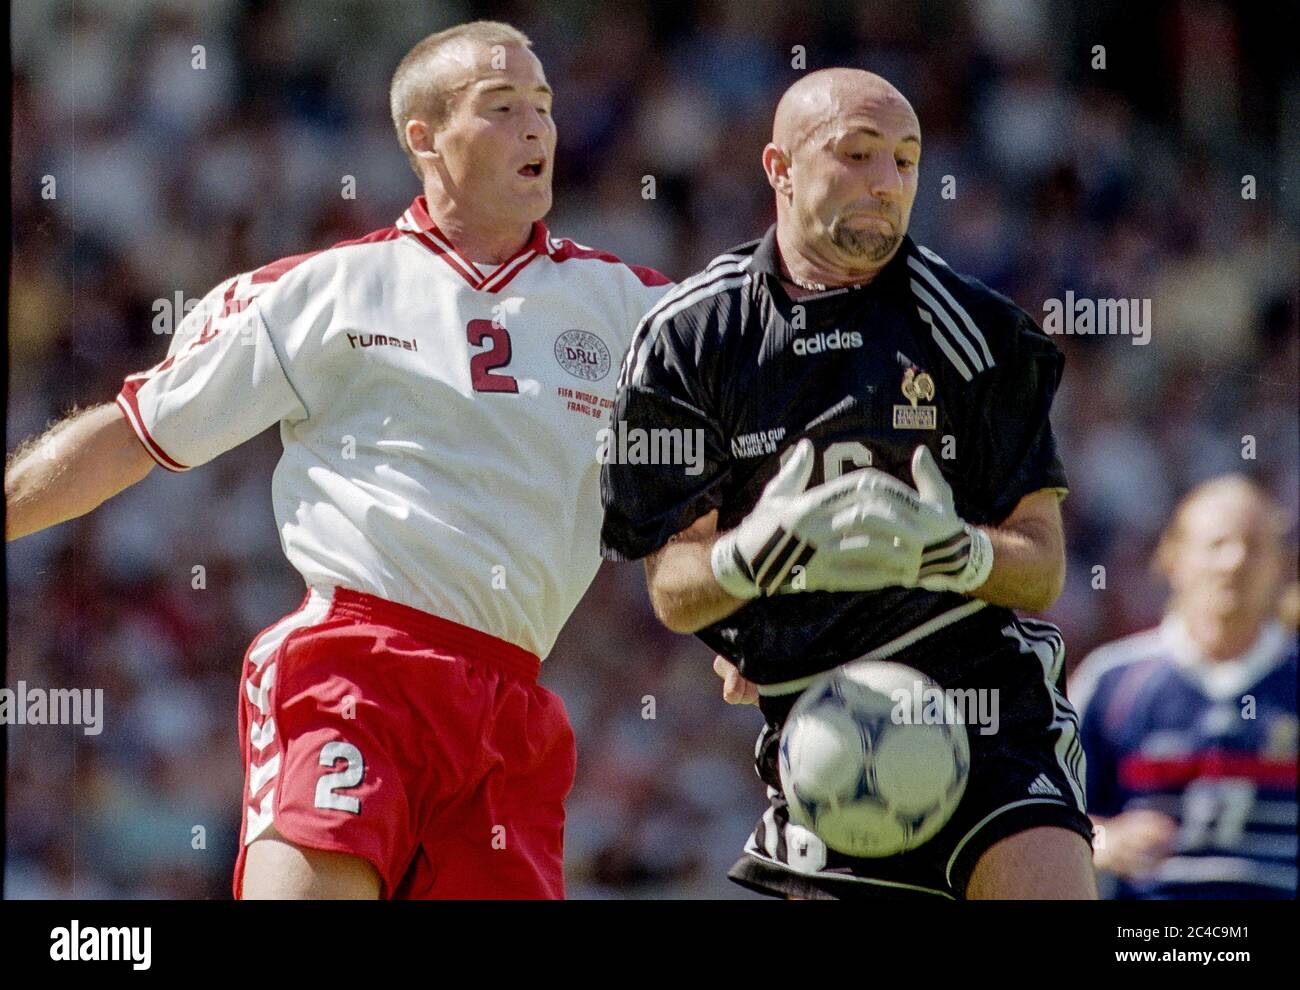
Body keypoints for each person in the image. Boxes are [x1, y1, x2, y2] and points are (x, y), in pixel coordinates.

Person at [5, 20, 670, 899]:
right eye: (503, 107)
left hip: (512, 712)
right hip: (358, 667)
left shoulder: (641, 310)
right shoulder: (324, 289)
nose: (538, 128)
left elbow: (723, 466)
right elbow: (134, 431)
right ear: (423, 139)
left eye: (544, 107)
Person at [600, 68, 1096, 899]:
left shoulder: (980, 330)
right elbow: (675, 592)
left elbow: (1040, 567)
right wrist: (749, 559)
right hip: (819, 726)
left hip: (985, 706)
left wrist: (960, 554)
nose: (887, 182)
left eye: (905, 161)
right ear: (779, 168)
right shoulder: (690, 338)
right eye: (857, 154)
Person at [1070, 475, 1298, 899]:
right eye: (1217, 545)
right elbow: (1046, 812)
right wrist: (1104, 840)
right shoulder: (1112, 681)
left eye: (1254, 545)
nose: (1234, 562)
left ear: (1282, 566)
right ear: (1172, 557)